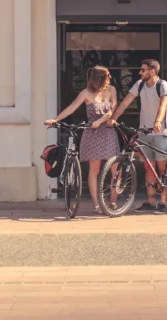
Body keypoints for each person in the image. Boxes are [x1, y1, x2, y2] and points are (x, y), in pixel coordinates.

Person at [45, 65, 120, 215]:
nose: (110, 78)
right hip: (92, 133)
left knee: (116, 169)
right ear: (100, 78)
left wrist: (101, 121)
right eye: (108, 76)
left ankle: (112, 202)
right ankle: (97, 205)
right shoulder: (86, 93)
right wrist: (55, 119)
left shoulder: (111, 90)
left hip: (108, 132)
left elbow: (113, 110)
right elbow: (72, 107)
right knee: (95, 170)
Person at [112, 59, 167, 213]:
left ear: (152, 71)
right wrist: (114, 118)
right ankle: (150, 201)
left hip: (160, 132)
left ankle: (163, 203)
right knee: (148, 167)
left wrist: (158, 121)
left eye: (143, 70)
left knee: (162, 167)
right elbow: (125, 102)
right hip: (143, 132)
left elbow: (163, 105)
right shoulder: (140, 84)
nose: (140, 72)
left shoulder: (163, 85)